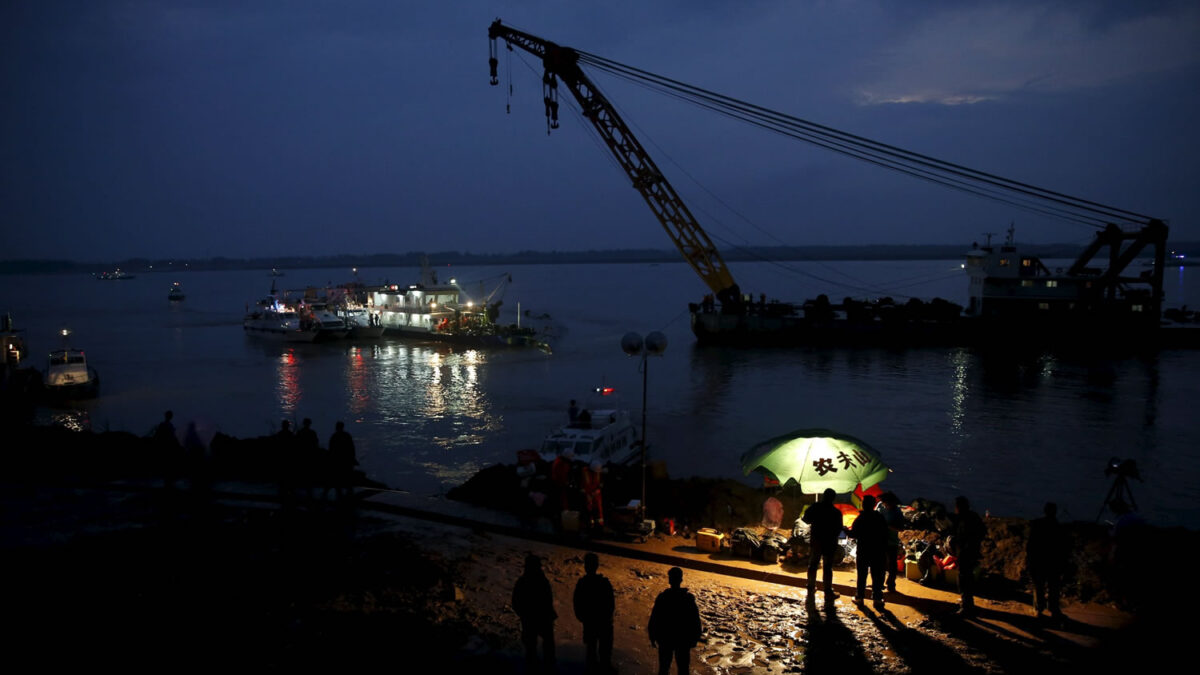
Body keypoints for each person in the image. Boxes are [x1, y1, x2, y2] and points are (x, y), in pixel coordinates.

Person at [647, 567, 702, 675]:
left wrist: (652, 635)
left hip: (665, 638)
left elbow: (655, 618)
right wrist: (695, 637)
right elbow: (695, 620)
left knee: (664, 668)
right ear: (681, 580)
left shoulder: (663, 598)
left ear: (669, 580)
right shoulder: (688, 599)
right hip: (683, 640)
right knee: (683, 669)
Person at [512, 554, 556, 672]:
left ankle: (536, 667)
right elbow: (548, 599)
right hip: (540, 618)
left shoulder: (523, 581)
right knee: (543, 647)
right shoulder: (542, 581)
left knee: (533, 648)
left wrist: (523, 614)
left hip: (532, 619)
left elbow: (516, 602)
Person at [802, 488, 844, 607]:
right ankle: (828, 591)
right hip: (830, 542)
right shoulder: (836, 512)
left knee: (813, 564)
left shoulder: (815, 507)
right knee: (827, 567)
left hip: (816, 541)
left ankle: (811, 587)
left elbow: (805, 519)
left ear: (823, 496)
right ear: (833, 498)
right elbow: (838, 529)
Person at [573, 552, 615, 673]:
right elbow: (610, 603)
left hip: (590, 622)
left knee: (591, 648)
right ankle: (604, 668)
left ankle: (593, 668)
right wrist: (607, 617)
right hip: (603, 622)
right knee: (604, 649)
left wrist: (583, 618)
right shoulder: (604, 583)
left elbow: (577, 603)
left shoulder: (582, 583)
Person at [1026, 502, 1066, 620]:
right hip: (1053, 562)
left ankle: (1039, 609)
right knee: (1054, 587)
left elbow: (1031, 545)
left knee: (1039, 586)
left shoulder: (1037, 524)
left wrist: (1030, 559)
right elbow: (1062, 547)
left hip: (1039, 561)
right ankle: (1054, 609)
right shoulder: (1058, 526)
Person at [849, 494, 888, 610]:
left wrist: (846, 531)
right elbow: (885, 534)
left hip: (863, 551)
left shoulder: (860, 518)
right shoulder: (880, 517)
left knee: (862, 575)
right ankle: (877, 599)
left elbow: (853, 534)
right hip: (878, 551)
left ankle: (859, 598)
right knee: (877, 576)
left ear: (863, 505)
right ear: (874, 505)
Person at [951, 495, 986, 617]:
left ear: (959, 507)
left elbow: (963, 537)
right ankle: (967, 602)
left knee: (964, 579)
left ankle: (967, 607)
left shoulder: (964, 519)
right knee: (967, 578)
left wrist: (964, 546)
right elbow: (982, 532)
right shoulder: (973, 517)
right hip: (971, 553)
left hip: (966, 554)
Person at [877, 492, 904, 592]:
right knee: (880, 564)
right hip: (880, 541)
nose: (884, 504)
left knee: (892, 565)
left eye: (886, 503)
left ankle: (891, 584)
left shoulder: (897, 512)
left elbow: (901, 528)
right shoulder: (880, 506)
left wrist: (888, 526)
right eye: (883, 502)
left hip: (892, 542)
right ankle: (879, 584)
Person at [327, 421, 359, 500]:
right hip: (346, 459)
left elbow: (331, 449)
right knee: (348, 477)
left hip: (338, 460)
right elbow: (351, 448)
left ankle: (340, 497)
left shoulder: (334, 436)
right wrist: (352, 457)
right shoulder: (347, 435)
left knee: (338, 478)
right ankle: (349, 496)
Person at [153, 410, 182, 488]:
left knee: (167, 462)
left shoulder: (165, 425)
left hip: (167, 445)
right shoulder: (167, 425)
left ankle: (167, 478)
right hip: (167, 445)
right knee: (168, 461)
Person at [582, 461, 605, 529]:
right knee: (589, 510)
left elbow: (600, 484)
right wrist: (587, 495)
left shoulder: (598, 473)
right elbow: (583, 486)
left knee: (598, 510)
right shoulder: (584, 473)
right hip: (588, 495)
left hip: (596, 494)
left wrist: (598, 490)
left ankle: (599, 525)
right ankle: (590, 525)